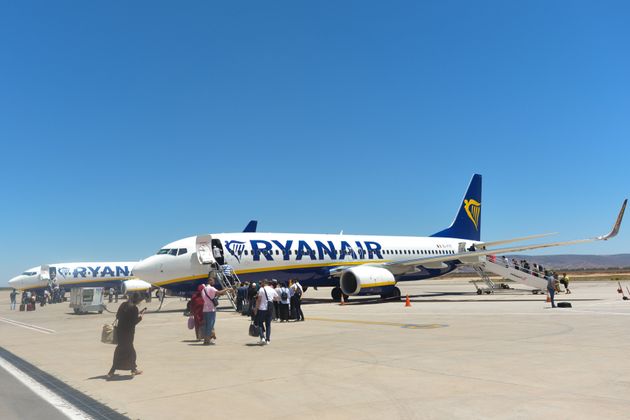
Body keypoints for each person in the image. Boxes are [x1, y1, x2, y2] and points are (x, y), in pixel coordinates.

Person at [107, 293, 145, 378]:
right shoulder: (134, 308)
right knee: (129, 351)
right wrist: (140, 317)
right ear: (137, 301)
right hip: (128, 333)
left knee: (122, 350)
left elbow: (118, 316)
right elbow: (134, 322)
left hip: (120, 331)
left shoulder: (123, 304)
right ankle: (113, 371)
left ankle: (131, 369)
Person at [200, 274, 230, 345]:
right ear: (210, 281)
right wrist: (227, 289)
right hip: (211, 309)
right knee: (210, 325)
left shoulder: (203, 290)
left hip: (205, 309)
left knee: (206, 325)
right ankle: (207, 341)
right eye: (213, 281)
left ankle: (205, 340)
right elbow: (219, 292)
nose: (214, 282)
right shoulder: (211, 288)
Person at [255, 280, 278, 345]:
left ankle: (262, 337)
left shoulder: (261, 289)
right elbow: (277, 298)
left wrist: (256, 308)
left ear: (263, 283)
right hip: (270, 309)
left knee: (259, 323)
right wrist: (270, 299)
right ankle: (268, 340)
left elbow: (259, 300)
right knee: (268, 325)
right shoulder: (272, 289)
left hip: (262, 308)